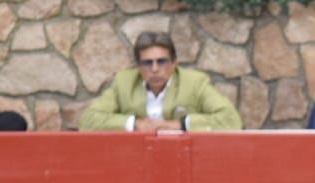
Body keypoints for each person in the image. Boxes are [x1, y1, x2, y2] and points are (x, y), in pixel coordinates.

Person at [81, 31, 243, 132]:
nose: (155, 69)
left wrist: (180, 125)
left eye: (162, 61)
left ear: (174, 63)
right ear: (138, 66)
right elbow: (88, 121)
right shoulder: (124, 82)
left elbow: (231, 119)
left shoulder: (195, 82)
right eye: (147, 63)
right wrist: (134, 124)